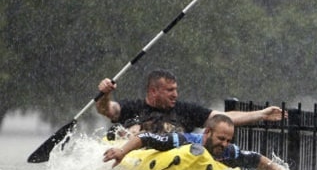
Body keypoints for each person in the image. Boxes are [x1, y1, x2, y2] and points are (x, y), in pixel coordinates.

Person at [103, 113, 291, 170]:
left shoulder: (228, 151)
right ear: (207, 132)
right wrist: (122, 152)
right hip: (156, 160)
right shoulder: (182, 140)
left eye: (228, 140)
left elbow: (255, 158)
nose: (224, 144)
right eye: (221, 138)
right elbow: (146, 138)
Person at [96, 69, 286, 133]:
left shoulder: (185, 110)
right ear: (153, 91)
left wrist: (261, 114)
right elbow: (107, 110)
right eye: (170, 90)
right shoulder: (132, 107)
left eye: (176, 90)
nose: (175, 95)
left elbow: (223, 117)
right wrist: (105, 94)